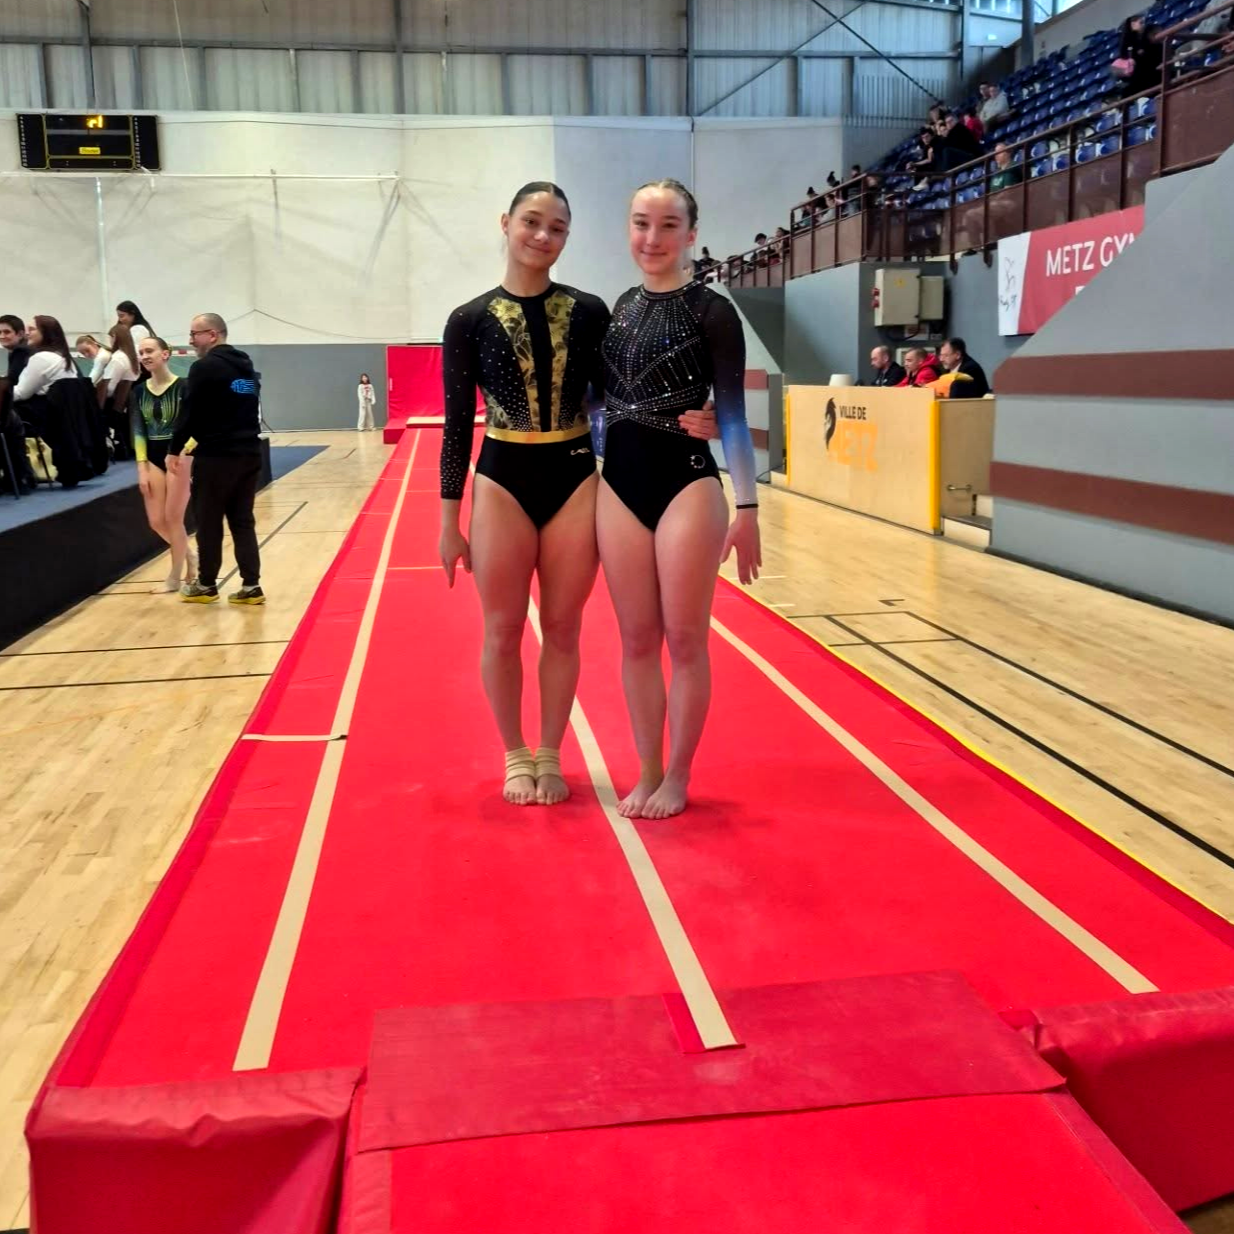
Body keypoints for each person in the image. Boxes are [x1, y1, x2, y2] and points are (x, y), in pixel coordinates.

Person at [597, 179, 760, 820]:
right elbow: (600, 400)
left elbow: (736, 416)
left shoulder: (712, 311)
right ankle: (647, 769)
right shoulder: (620, 306)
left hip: (687, 483)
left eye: (668, 226)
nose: (653, 238)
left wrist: (747, 510)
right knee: (636, 639)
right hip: (619, 486)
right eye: (642, 223)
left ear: (691, 234)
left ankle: (679, 773)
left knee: (685, 638)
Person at [169, 313, 265, 605]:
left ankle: (206, 584)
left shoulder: (204, 367)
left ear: (212, 334)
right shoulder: (246, 368)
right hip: (249, 453)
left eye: (194, 334)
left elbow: (190, 412)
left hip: (217, 457)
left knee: (209, 520)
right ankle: (251, 586)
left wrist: (174, 448)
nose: (190, 340)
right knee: (242, 520)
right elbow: (239, 402)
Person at [131, 335, 196, 592]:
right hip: (153, 458)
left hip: (179, 455)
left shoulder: (184, 386)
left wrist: (186, 450)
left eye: (149, 351)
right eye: (141, 352)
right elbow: (138, 431)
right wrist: (141, 467)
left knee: (173, 518)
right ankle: (190, 555)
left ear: (165, 354)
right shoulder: (139, 391)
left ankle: (174, 577)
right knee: (157, 521)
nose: (145, 356)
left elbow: (196, 423)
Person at [1, 315, 37, 492]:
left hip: (31, 407)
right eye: (0, 332)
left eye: (7, 332)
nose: (2, 336)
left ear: (21, 334)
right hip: (27, 404)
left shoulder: (21, 351)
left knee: (8, 420)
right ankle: (20, 476)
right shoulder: (19, 351)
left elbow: (11, 383)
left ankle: (17, 476)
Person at [101, 323, 140, 459]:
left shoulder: (118, 358)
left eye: (110, 338)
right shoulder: (132, 357)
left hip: (112, 406)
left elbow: (109, 387)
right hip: (122, 405)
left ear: (115, 337)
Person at [1117, 16, 1164, 97]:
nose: (1143, 25)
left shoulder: (1149, 39)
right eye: (1141, 23)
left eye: (1143, 23)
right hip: (1140, 78)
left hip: (1154, 74)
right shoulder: (1128, 46)